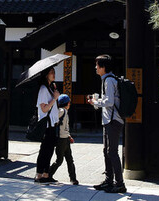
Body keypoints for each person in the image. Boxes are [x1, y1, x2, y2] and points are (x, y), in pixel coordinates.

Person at [87, 54, 126, 193]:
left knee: (112, 152)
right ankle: (109, 181)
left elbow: (109, 102)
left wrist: (95, 102)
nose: (96, 68)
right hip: (109, 119)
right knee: (107, 151)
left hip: (113, 120)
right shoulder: (108, 79)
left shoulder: (109, 81)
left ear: (103, 67)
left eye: (97, 65)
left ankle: (120, 183)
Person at [34, 66, 60, 183]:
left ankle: (46, 174)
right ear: (46, 75)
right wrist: (54, 99)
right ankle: (39, 174)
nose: (53, 74)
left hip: (52, 124)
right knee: (45, 149)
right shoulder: (43, 89)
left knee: (49, 149)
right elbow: (44, 109)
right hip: (46, 125)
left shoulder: (50, 88)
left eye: (54, 72)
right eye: (51, 72)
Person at [48, 93, 78, 185]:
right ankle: (48, 174)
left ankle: (73, 178)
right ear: (67, 103)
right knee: (59, 160)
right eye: (69, 103)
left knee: (69, 159)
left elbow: (65, 126)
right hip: (61, 139)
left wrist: (69, 136)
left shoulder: (64, 111)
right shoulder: (62, 111)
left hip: (65, 138)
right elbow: (53, 117)